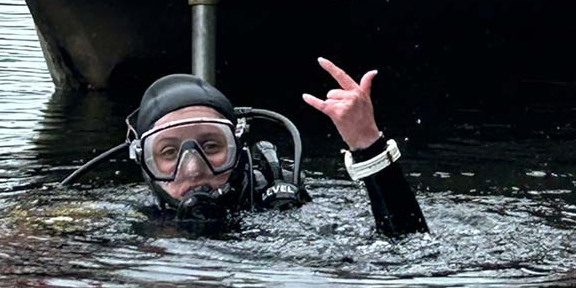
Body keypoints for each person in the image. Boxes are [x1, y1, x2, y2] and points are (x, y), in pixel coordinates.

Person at [66, 58, 428, 235]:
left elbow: (410, 250)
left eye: (211, 145)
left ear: (240, 149)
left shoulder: (284, 210)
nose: (193, 169)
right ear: (144, 165)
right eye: (168, 153)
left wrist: (367, 144)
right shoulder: (123, 221)